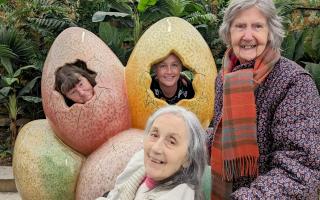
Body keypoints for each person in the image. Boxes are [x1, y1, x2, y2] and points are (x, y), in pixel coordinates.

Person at [206, 0, 320, 199]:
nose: (247, 36)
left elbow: (301, 169)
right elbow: (217, 132)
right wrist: (185, 141)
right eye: (240, 26)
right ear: (228, 32)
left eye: (257, 26)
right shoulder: (224, 77)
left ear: (270, 32)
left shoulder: (294, 83)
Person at [97, 105, 208, 200]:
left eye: (171, 141)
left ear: (188, 159)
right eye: (154, 135)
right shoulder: (140, 164)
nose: (156, 148)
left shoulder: (179, 195)